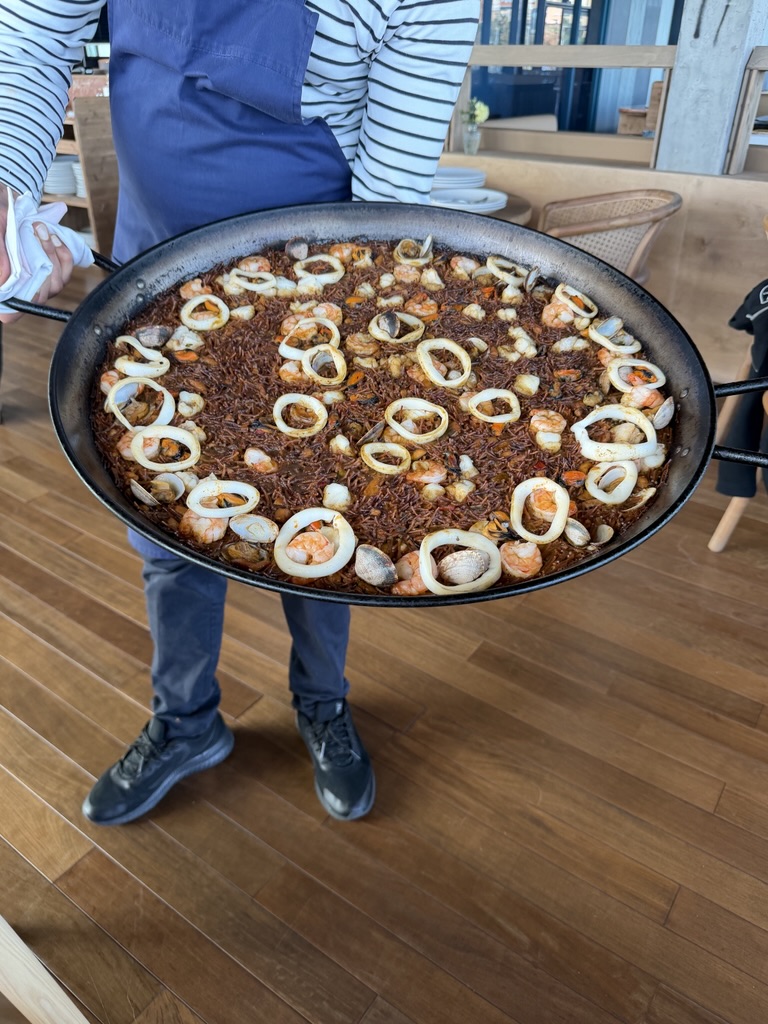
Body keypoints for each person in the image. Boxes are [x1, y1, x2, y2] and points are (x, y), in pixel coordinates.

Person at [0, 0, 479, 825]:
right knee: (165, 526)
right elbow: (35, 30)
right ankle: (184, 721)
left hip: (320, 278)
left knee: (329, 511)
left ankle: (323, 704)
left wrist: (365, 333)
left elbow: (389, 196)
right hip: (155, 260)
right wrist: (5, 184)